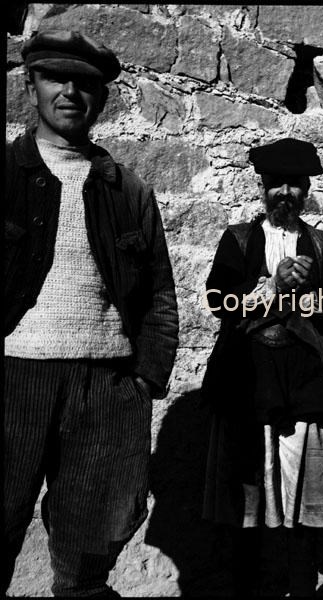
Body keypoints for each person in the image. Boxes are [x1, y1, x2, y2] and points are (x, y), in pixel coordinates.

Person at [3, 30, 179, 597]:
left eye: (85, 84)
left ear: (101, 97)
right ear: (30, 86)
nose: (70, 92)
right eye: (55, 78)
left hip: (107, 387)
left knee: (88, 552)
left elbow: (159, 294)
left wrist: (144, 381)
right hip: (13, 378)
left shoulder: (128, 191)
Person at [200, 137, 323, 595]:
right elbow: (220, 301)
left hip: (305, 385)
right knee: (248, 498)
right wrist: (272, 285)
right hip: (248, 383)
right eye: (276, 184)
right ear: (262, 188)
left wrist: (309, 295)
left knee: (302, 500)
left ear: (306, 190)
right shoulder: (238, 239)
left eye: (294, 184)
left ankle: (301, 584)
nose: (285, 193)